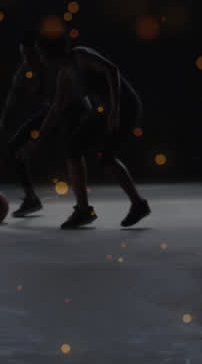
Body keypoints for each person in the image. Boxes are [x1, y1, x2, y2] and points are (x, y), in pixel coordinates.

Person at [33, 31, 151, 229]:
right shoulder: (64, 75)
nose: (41, 59)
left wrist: (115, 109)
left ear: (51, 53)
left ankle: (138, 204)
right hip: (106, 110)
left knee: (106, 158)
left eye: (41, 54)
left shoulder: (80, 56)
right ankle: (84, 210)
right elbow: (56, 109)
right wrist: (37, 139)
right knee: (73, 148)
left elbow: (112, 70)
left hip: (125, 105)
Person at [0, 31, 59, 218]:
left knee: (75, 151)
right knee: (16, 146)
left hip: (73, 109)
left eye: (31, 55)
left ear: (41, 53)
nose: (28, 60)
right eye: (24, 55)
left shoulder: (56, 67)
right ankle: (30, 197)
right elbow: (7, 115)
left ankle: (83, 206)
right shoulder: (23, 74)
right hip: (51, 112)